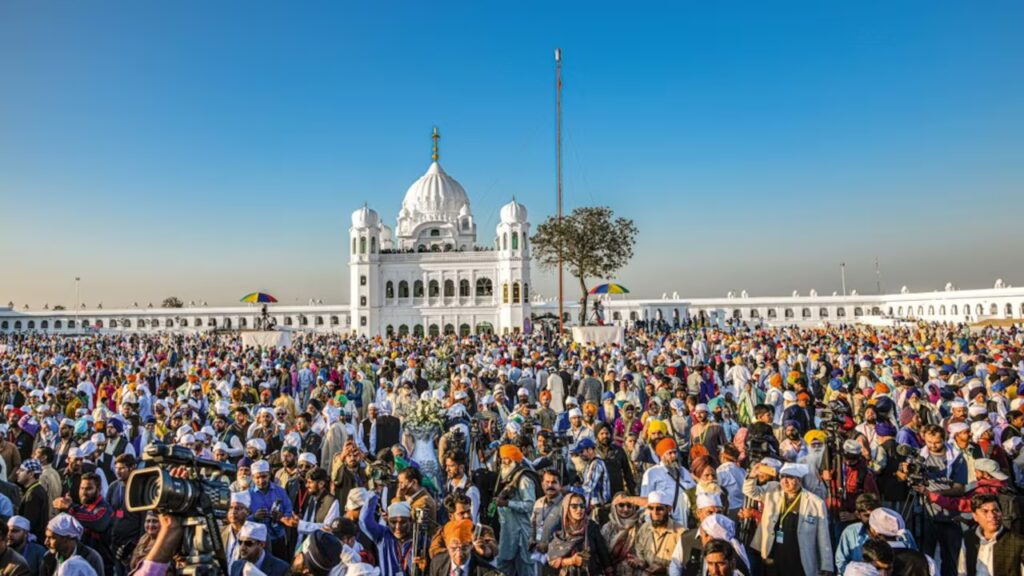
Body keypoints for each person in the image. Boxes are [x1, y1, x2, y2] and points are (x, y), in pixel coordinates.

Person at [743, 462, 834, 576]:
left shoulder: (815, 503)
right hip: (774, 555)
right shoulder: (773, 489)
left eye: (790, 477)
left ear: (799, 480)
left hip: (800, 558)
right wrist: (752, 475)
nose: (785, 481)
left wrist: (827, 566)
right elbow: (750, 491)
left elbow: (823, 537)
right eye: (782, 477)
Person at [493, 444, 537, 576]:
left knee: (525, 569)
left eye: (506, 459)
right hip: (508, 533)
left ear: (514, 460)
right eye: (502, 459)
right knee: (503, 567)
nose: (503, 462)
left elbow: (530, 505)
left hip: (522, 534)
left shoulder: (524, 479)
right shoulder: (507, 477)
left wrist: (507, 503)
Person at [546, 489, 612, 576]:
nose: (579, 509)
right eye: (574, 506)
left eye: (582, 506)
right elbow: (551, 560)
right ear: (566, 508)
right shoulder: (559, 529)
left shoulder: (591, 527)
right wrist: (571, 561)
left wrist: (609, 571)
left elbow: (603, 553)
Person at [957, 493, 1024, 576]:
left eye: (996, 510)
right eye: (985, 511)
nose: (992, 515)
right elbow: (962, 571)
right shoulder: (969, 538)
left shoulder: (1018, 542)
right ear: (975, 516)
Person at [247, 459, 295, 560]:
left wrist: (281, 517)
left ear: (269, 475)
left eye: (264, 476)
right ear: (252, 478)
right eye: (257, 477)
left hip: (278, 539)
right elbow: (242, 520)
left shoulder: (280, 492)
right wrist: (254, 517)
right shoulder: (247, 495)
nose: (261, 480)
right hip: (258, 541)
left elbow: (289, 511)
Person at [428, 519, 501, 576]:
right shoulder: (437, 563)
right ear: (447, 546)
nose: (459, 554)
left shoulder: (486, 572)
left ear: (471, 546)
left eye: (464, 548)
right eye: (454, 548)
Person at [13, 458, 49, 544]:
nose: (17, 472)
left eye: (22, 470)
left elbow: (28, 523)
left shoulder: (33, 494)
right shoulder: (36, 490)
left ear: (31, 474)